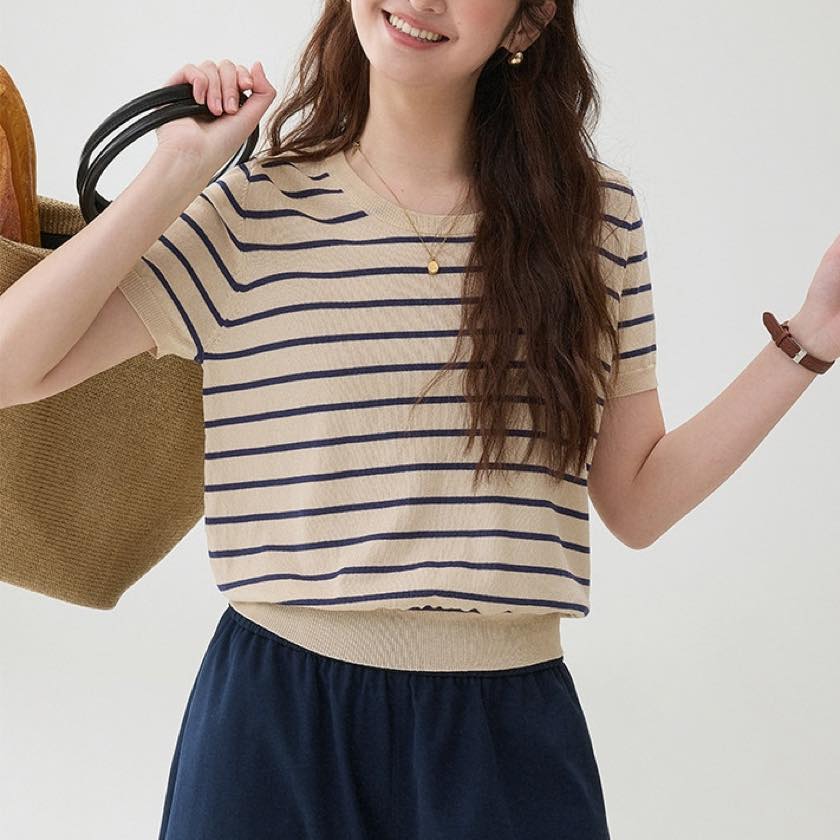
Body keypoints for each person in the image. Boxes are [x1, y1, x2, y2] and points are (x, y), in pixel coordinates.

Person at [2, 1, 838, 838]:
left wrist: (810, 337)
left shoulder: (593, 219)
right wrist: (175, 170)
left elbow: (638, 501)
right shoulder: (252, 209)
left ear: (525, 24)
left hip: (506, 738)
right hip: (274, 725)